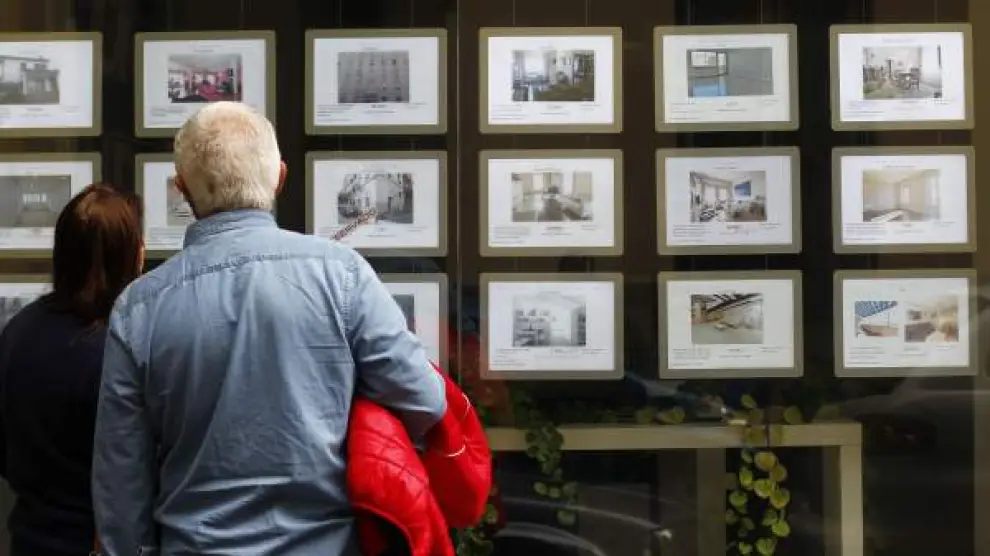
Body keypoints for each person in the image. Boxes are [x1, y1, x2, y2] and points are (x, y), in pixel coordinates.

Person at [91, 101, 447, 556]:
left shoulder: (138, 308)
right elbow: (423, 400)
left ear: (182, 190)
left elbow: (121, 476)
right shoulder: (343, 274)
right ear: (280, 177)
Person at [0, 183, 144, 556]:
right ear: (131, 256)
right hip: (96, 542)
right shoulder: (120, 347)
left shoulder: (19, 330)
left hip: (30, 537)